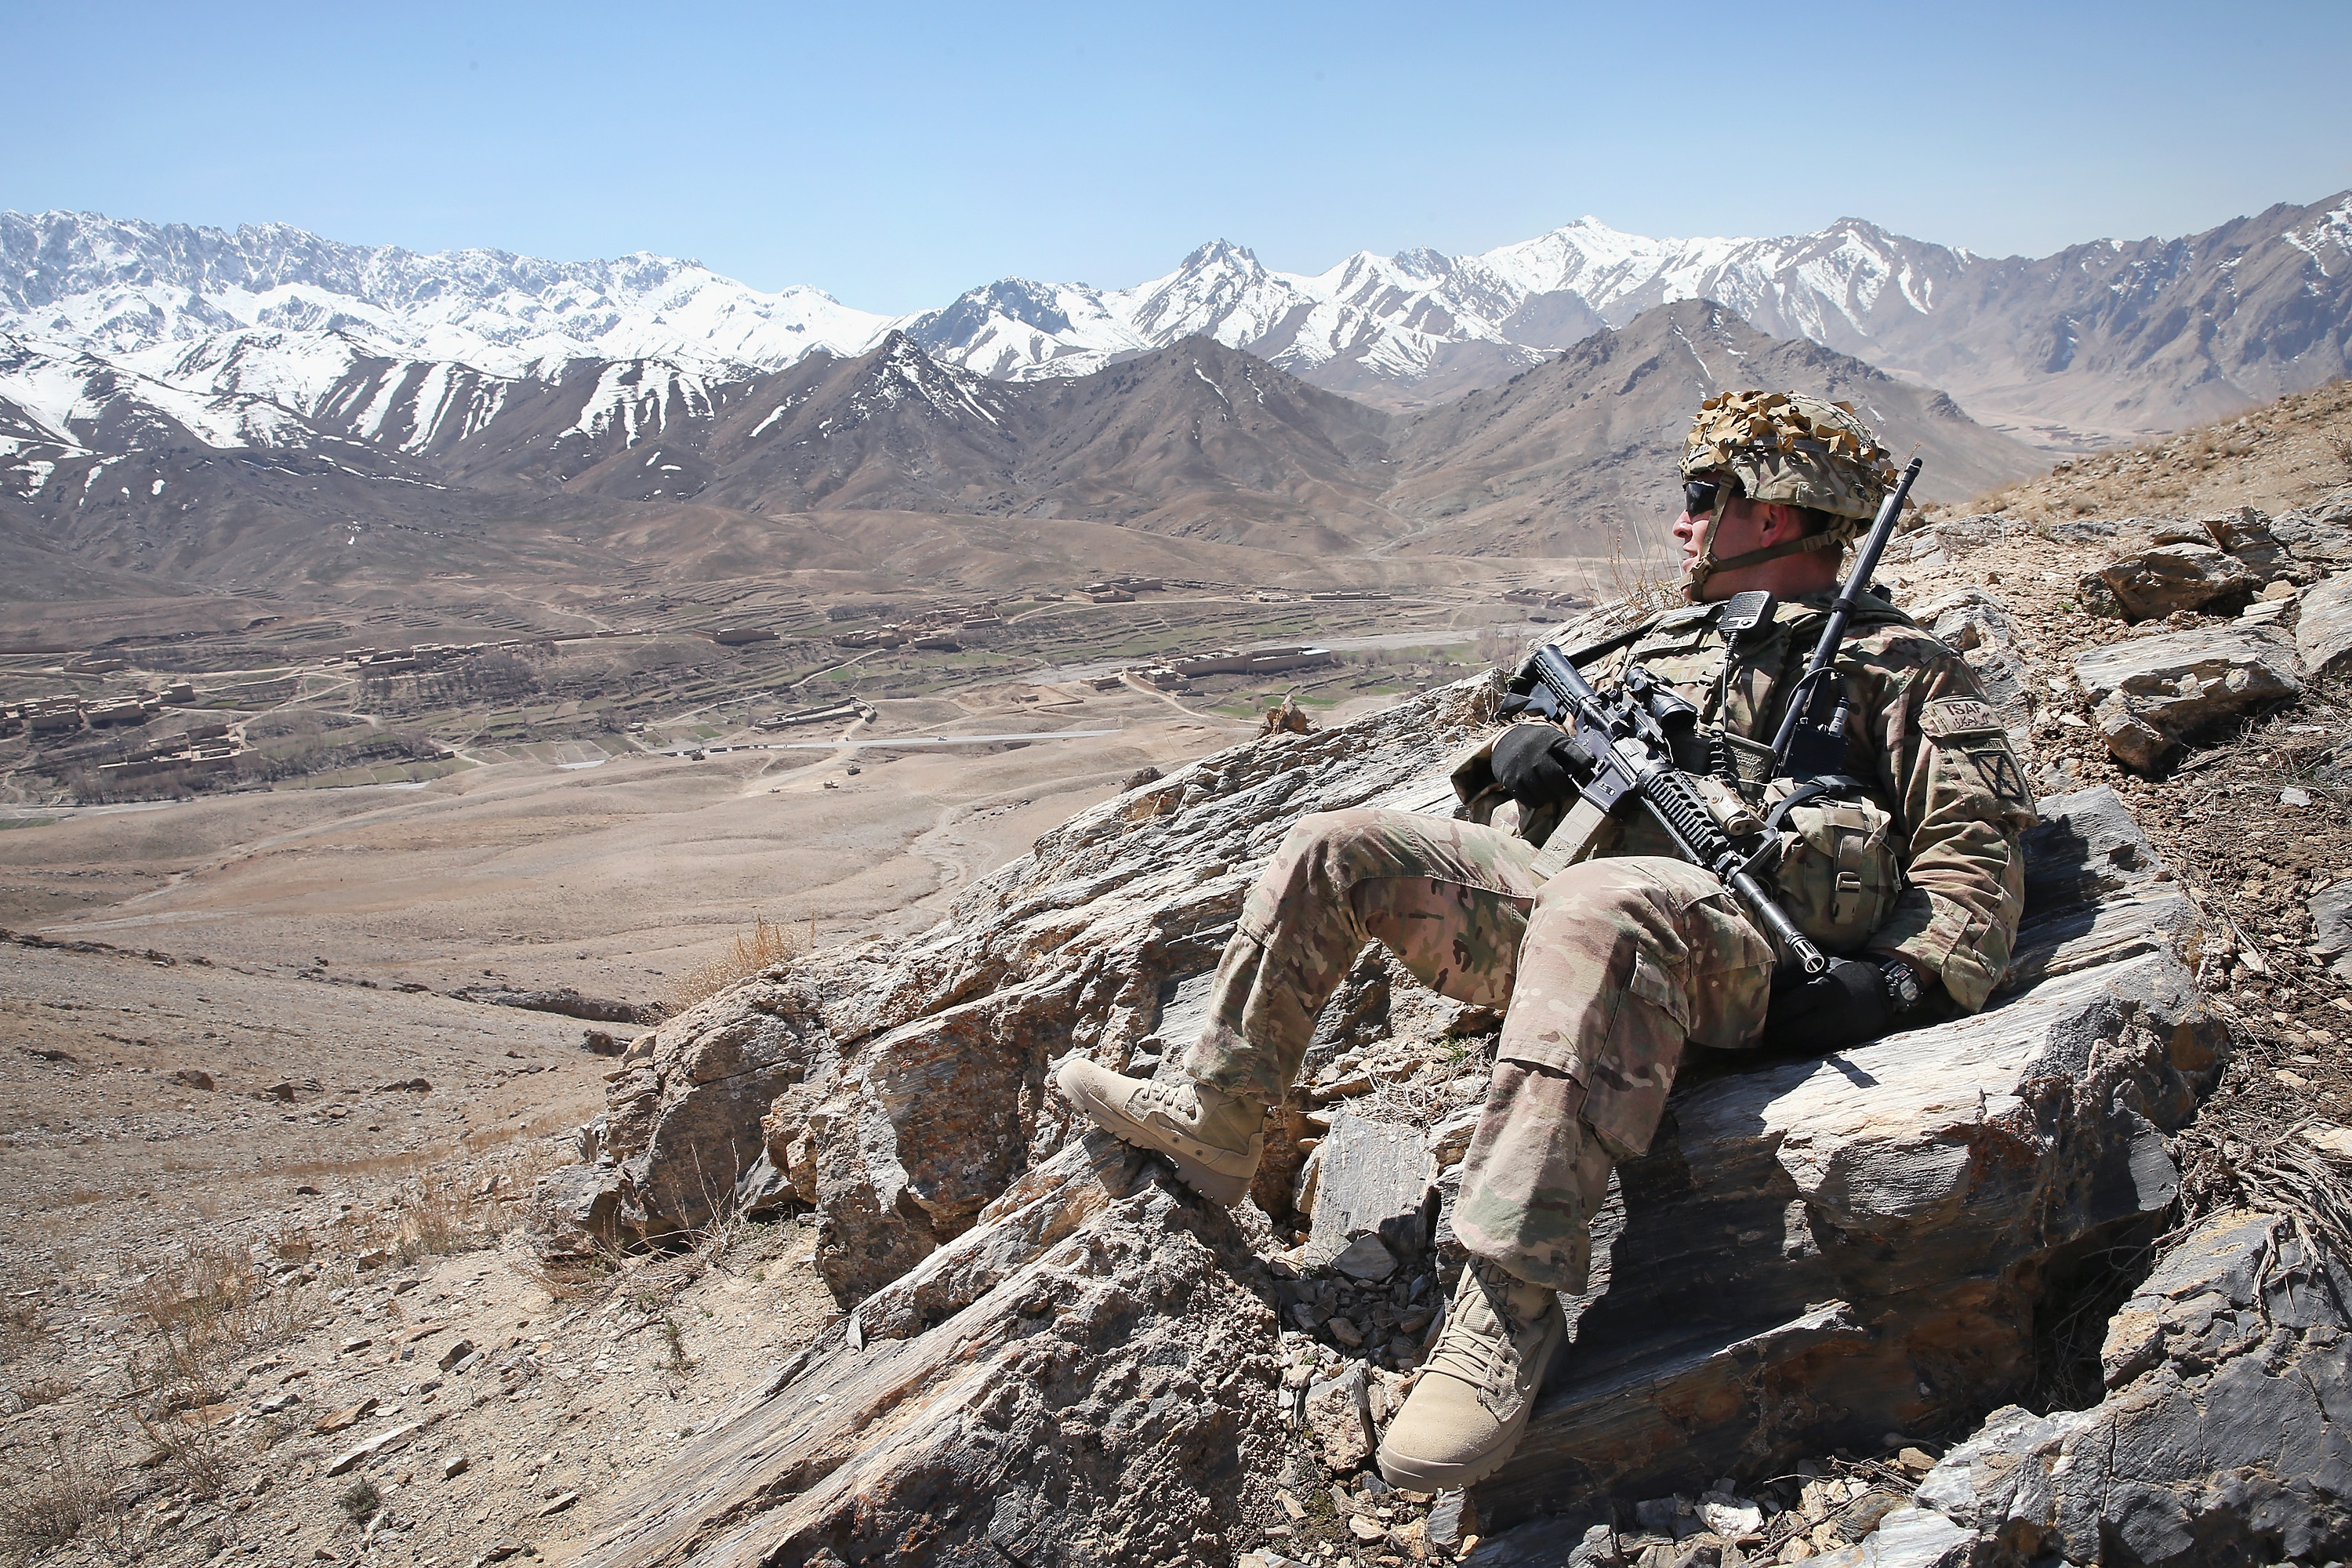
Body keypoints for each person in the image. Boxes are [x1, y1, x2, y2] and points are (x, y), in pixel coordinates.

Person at [1053, 390, 2037, 1492]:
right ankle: (1218, 1117)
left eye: (1703, 496)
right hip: (1587, 924)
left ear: (1771, 514)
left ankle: (1507, 1301)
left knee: (1598, 905)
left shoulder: (1898, 664)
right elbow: (1517, 802)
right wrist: (1516, 760)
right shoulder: (1670, 639)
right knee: (1337, 845)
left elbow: (1974, 849)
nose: (1681, 522)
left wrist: (1897, 985)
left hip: (1740, 956)